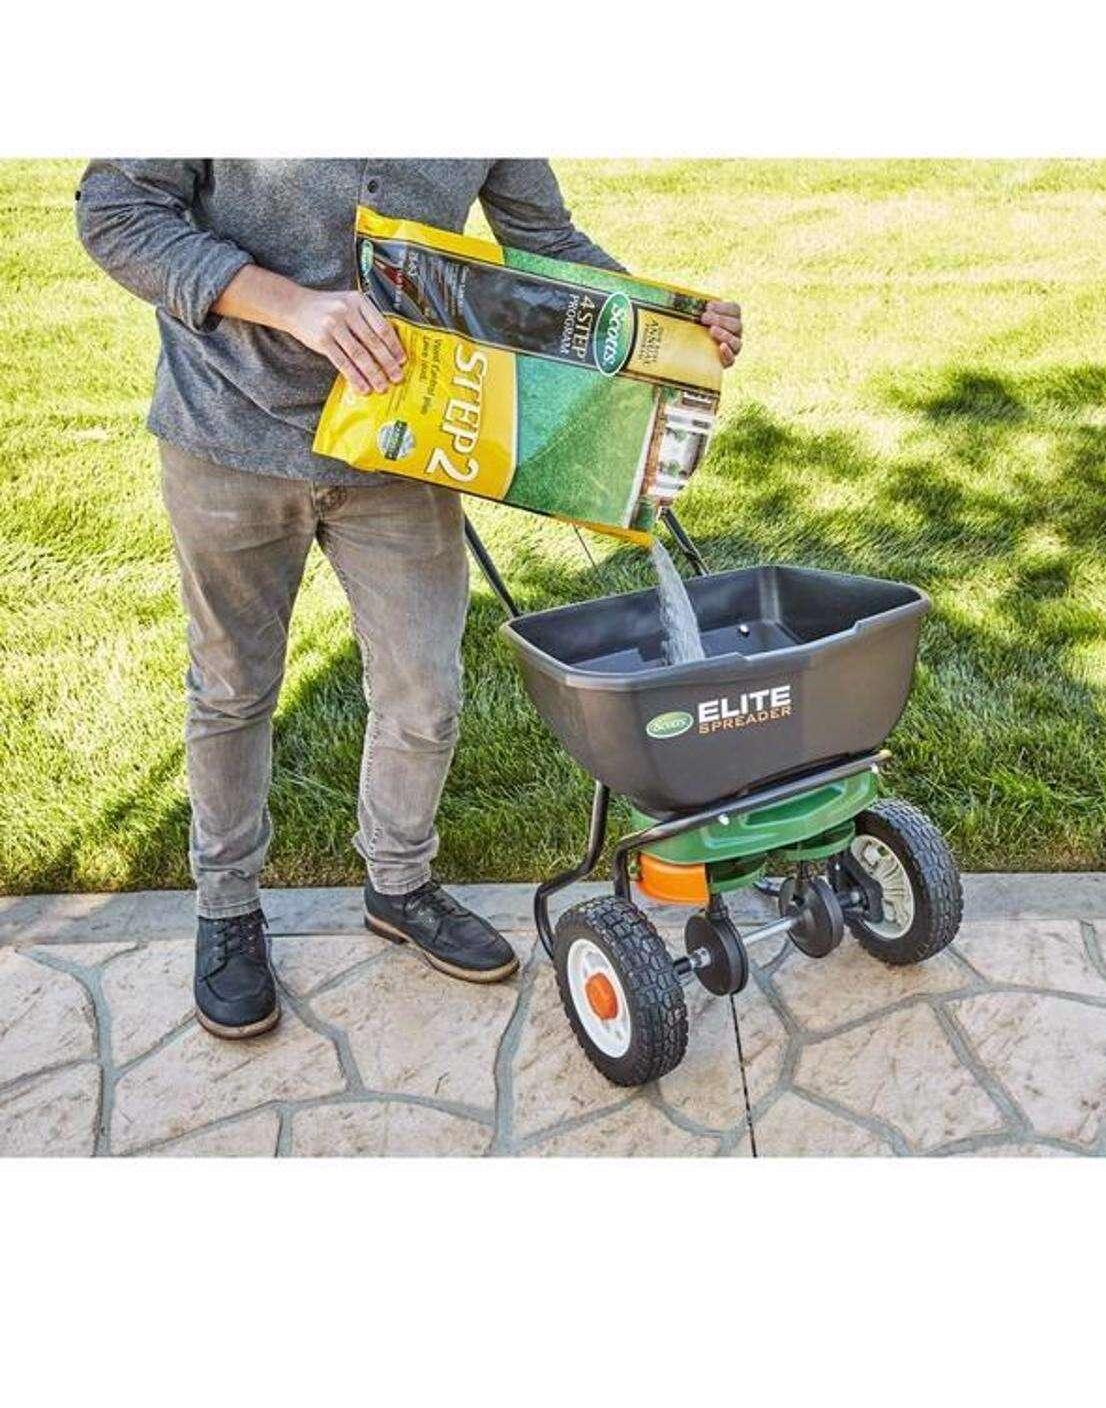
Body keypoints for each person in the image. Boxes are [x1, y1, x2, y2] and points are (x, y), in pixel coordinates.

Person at [76, 161, 743, 1039]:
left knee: (424, 696)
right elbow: (116, 210)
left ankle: (399, 885)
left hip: (404, 444)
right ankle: (228, 906)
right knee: (233, 690)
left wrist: (675, 329)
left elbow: (545, 243)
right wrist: (293, 306)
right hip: (229, 434)